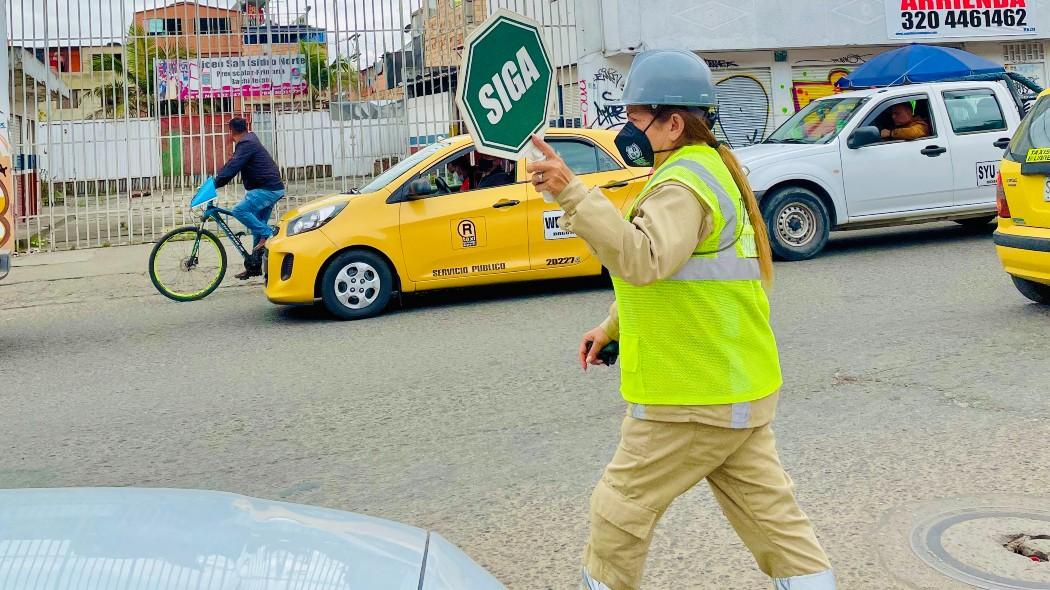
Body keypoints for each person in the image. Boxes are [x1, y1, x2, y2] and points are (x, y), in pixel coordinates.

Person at [526, 50, 836, 590]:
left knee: (617, 514)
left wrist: (570, 192)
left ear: (673, 122)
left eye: (636, 117)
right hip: (736, 386)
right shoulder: (706, 171)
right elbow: (679, 274)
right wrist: (612, 327)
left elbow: (643, 259)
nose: (626, 129)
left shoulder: (681, 184)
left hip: (690, 396)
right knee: (777, 526)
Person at [214, 117, 286, 280]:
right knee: (256, 230)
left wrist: (215, 185)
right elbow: (231, 163)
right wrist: (216, 180)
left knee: (239, 211)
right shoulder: (248, 140)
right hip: (269, 187)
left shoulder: (246, 144)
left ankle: (268, 234)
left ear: (231, 131)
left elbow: (233, 167)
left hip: (267, 189)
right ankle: (254, 266)